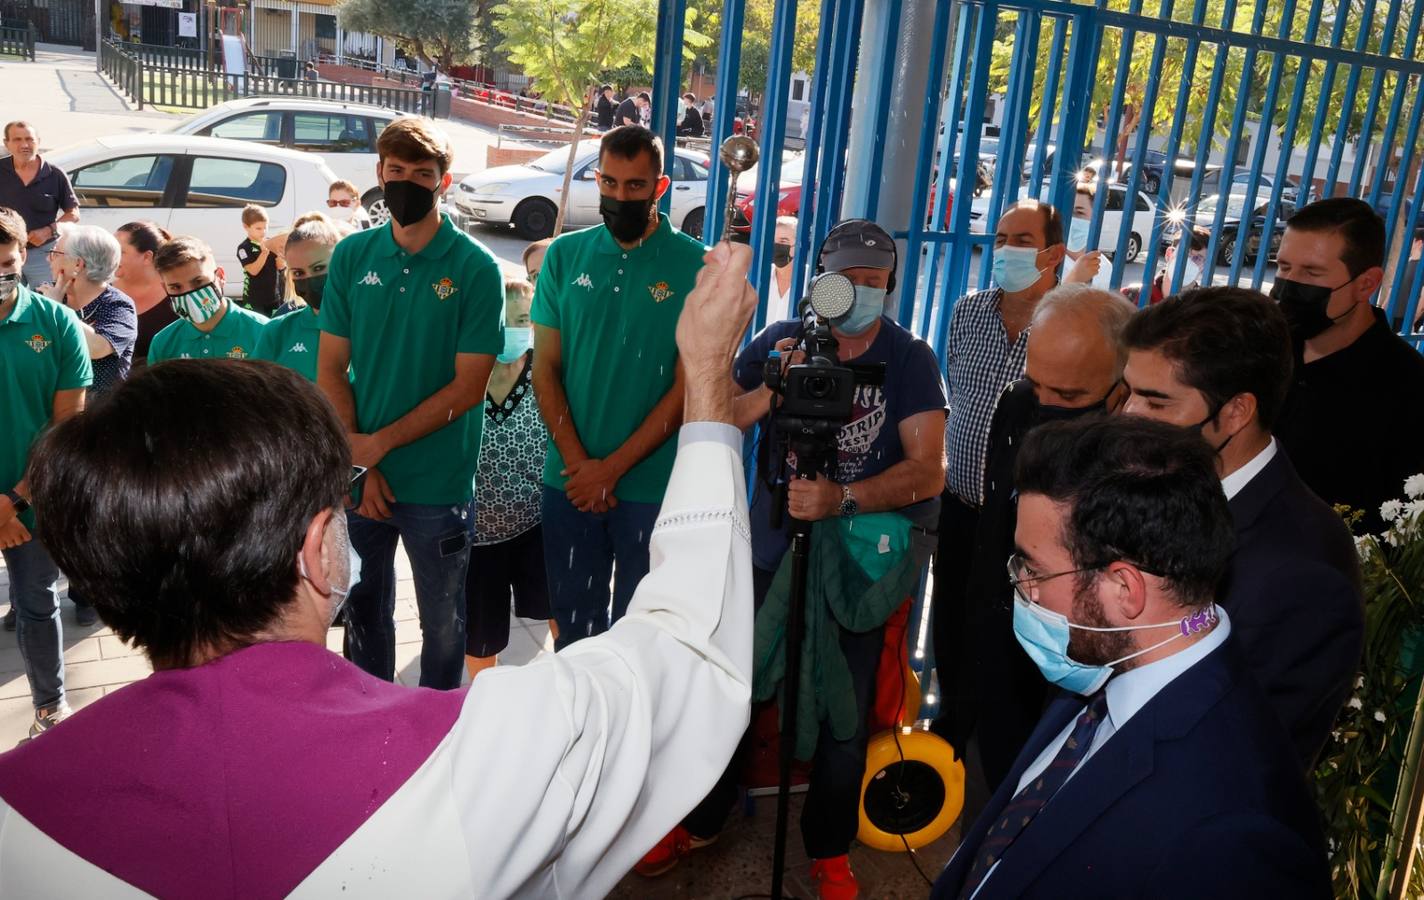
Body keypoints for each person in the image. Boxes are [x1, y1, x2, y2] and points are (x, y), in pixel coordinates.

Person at [0, 240, 764, 897]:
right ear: (319, 550)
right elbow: (689, 658)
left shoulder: (19, 817)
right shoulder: (477, 759)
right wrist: (705, 385)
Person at [641, 220, 947, 898]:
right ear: (821, 282)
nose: (862, 293)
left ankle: (829, 848)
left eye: (875, 282)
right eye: (848, 280)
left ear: (890, 286)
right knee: (732, 692)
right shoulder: (782, 341)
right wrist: (773, 388)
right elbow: (716, 415)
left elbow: (928, 472)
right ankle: (703, 818)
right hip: (769, 550)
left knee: (847, 710)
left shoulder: (909, 359)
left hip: (856, 572)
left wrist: (843, 497)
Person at [930, 417, 1331, 899]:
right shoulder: (1101, 660)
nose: (1021, 589)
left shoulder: (1233, 830)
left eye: (1033, 570)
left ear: (1124, 588)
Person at [1122, 286, 1363, 767]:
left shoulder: (1304, 572)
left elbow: (1236, 762)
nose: (1129, 416)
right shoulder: (1156, 488)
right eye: (1127, 392)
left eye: (1156, 403)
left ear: (1235, 412)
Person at [317, 116, 504, 691]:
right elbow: (330, 367)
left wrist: (377, 447)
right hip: (364, 477)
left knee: (444, 627)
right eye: (395, 171)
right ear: (378, 172)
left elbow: (468, 387)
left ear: (443, 182)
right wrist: (362, 462)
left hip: (438, 485)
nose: (406, 183)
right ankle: (371, 724)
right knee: (364, 620)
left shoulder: (474, 268)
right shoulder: (352, 257)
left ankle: (439, 729)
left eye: (422, 174)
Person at [950, 283, 1132, 806]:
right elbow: (993, 531)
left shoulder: (1136, 464)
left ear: (1121, 389)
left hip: (1070, 677)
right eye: (1038, 384)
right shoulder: (1017, 402)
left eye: (1070, 397)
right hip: (997, 647)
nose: (1046, 405)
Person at [531, 125, 703, 651]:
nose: (619, 196)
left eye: (635, 186)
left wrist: (612, 469)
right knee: (575, 634)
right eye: (609, 182)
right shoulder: (563, 257)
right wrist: (581, 465)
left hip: (652, 491)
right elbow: (545, 368)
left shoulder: (697, 266)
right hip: (570, 483)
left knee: (642, 640)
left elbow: (687, 385)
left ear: (661, 186)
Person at [930, 199, 1065, 744]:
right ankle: (950, 731)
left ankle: (1000, 745)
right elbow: (954, 397)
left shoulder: (1067, 325)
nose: (1005, 250)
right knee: (952, 624)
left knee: (1011, 638)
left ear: (1053, 253)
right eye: (1001, 238)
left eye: (1021, 241)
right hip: (960, 508)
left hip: (1023, 525)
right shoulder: (968, 311)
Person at [1272, 197, 1424, 534]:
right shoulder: (1262, 350)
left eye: (1312, 272)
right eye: (1283, 266)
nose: (1289, 284)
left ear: (1366, 283)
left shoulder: (1408, 387)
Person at [0, 206, 92, 735]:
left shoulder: (55, 324)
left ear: (24, 256)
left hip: (33, 501)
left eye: (7, 262)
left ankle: (50, 711)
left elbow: (65, 430)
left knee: (37, 604)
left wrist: (13, 501)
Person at [464, 276, 559, 679]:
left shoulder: (548, 369)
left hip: (539, 524)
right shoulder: (464, 371)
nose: (513, 331)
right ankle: (485, 705)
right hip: (478, 536)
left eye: (522, 320)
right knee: (480, 635)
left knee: (559, 609)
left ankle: (571, 687)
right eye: (503, 321)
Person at [41, 224, 137, 399]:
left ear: (78, 264)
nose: (49, 259)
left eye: (56, 253)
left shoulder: (118, 305)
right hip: (49, 406)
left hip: (99, 413)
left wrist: (56, 308)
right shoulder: (46, 294)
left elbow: (97, 347)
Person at [147, 236, 268, 364]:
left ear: (220, 276)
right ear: (165, 288)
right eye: (176, 287)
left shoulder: (263, 332)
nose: (189, 293)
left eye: (198, 282)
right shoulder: (163, 343)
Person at [253, 216, 342, 382]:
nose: (311, 279)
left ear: (341, 262)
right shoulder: (277, 331)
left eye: (319, 268)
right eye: (299, 273)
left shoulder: (370, 325)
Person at [0, 122, 79, 289]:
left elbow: (73, 214)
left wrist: (49, 230)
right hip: (5, 253)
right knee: (4, 303)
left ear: (38, 142)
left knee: (48, 302)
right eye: (17, 139)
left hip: (44, 255)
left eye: (30, 139)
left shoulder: (55, 174)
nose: (24, 145)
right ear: (6, 143)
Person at [114, 221, 177, 368]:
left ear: (147, 257)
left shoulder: (176, 296)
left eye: (120, 252)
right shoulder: (102, 292)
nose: (111, 256)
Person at [1129, 225, 1209, 306]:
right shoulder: (1132, 297)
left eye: (1197, 258)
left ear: (1204, 268)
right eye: (1184, 254)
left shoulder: (1204, 309)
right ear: (1169, 254)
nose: (1188, 261)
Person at [1061, 182, 1115, 290]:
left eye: (1079, 213)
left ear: (1096, 218)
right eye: (1067, 212)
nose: (1071, 219)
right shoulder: (1047, 259)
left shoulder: (1104, 268)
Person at [235, 204, 286, 317]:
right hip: (254, 300)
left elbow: (280, 267)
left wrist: (281, 259)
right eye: (258, 228)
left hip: (274, 297)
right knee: (256, 328)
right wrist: (263, 253)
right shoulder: (244, 248)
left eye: (265, 227)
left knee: (274, 326)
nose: (263, 232)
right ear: (246, 226)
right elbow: (253, 271)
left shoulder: (271, 243)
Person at [766, 215, 797, 317]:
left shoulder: (808, 281)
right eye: (773, 241)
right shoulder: (759, 277)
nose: (776, 246)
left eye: (783, 241)